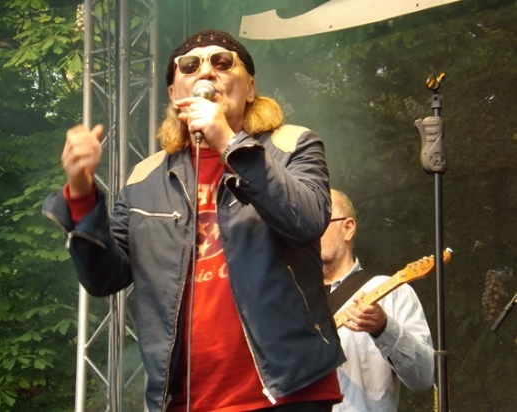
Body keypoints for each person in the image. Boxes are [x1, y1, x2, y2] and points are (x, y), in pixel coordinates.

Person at [43, 29, 346, 412]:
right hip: (185, 400)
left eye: (222, 62)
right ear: (174, 94)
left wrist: (229, 142)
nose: (206, 71)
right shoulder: (144, 178)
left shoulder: (291, 145)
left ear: (250, 88)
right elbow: (105, 278)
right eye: (190, 66)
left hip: (288, 392)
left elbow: (308, 220)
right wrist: (81, 194)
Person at [321, 189, 435, 412]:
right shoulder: (287, 300)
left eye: (319, 221)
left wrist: (384, 328)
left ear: (348, 228)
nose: (308, 232)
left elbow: (425, 376)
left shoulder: (392, 292)